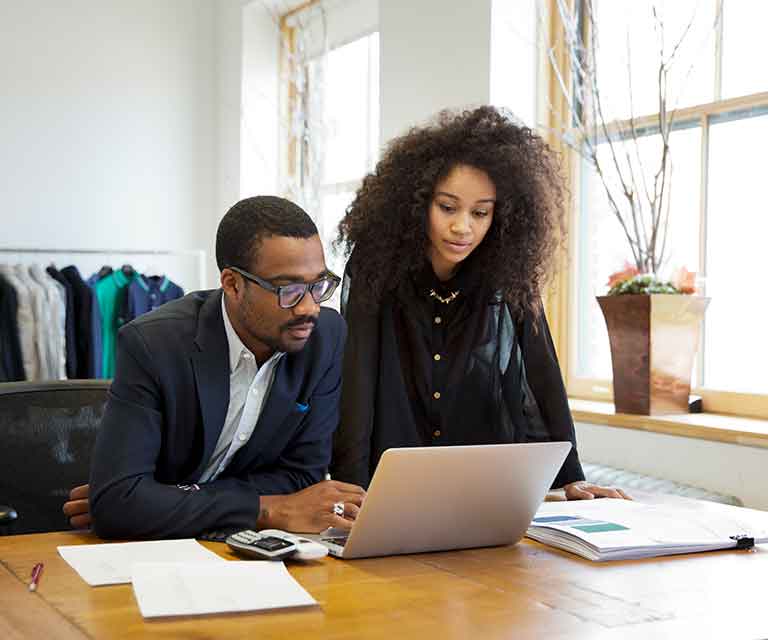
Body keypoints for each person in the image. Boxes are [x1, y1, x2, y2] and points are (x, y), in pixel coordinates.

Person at [330, 106, 627, 500]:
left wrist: (569, 477)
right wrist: (351, 488)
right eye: (447, 207)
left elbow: (541, 372)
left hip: (479, 483)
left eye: (480, 212)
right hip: (391, 479)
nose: (462, 227)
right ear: (418, 203)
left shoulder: (507, 272)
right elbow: (358, 379)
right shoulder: (376, 266)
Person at [67, 196, 365, 539]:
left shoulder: (325, 336)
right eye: (290, 290)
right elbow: (119, 505)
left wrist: (164, 498)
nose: (309, 307)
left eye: (318, 285)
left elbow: (302, 478)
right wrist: (266, 509)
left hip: (245, 550)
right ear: (232, 284)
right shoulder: (153, 344)